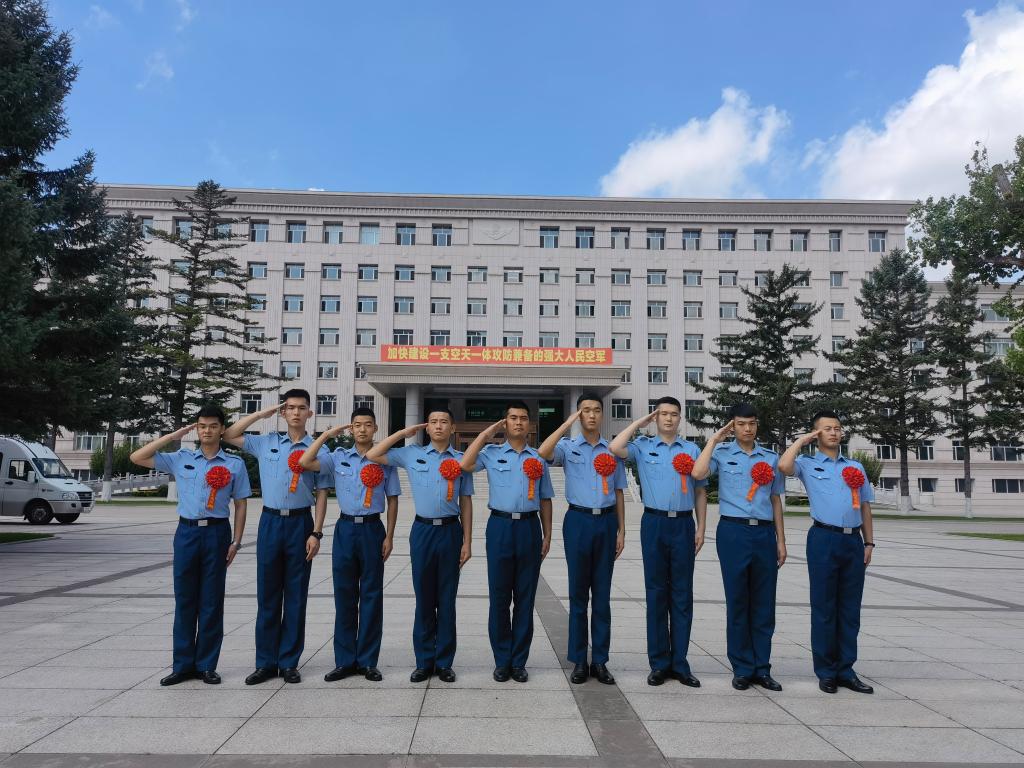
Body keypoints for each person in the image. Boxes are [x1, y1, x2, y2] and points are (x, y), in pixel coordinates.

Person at [130, 405, 249, 686]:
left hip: (217, 533)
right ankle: (182, 665)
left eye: (213, 426)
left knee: (211, 601)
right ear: (196, 429)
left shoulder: (234, 464)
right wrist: (173, 436)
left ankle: (206, 665)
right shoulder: (180, 458)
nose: (207, 431)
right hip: (186, 533)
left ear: (222, 429)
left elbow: (241, 504)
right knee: (185, 599)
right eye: (202, 426)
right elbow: (137, 457)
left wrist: (236, 541)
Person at [221, 389, 331, 685]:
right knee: (268, 595)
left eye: (301, 408)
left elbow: (322, 494)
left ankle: (289, 662)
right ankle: (265, 663)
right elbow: (229, 435)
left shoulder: (319, 450)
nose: (296, 412)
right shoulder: (266, 443)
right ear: (283, 412)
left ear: (310, 413)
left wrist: (316, 532)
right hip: (270, 522)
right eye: (290, 408)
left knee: (296, 596)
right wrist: (261, 414)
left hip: (301, 524)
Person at [366, 406, 473, 683]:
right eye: (433, 421)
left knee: (446, 599)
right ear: (426, 427)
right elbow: (373, 455)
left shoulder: (462, 460)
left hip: (450, 531)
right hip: (422, 531)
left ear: (452, 428)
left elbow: (466, 501)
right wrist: (403, 433)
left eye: (444, 422)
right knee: (424, 598)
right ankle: (424, 662)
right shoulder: (411, 453)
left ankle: (445, 662)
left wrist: (468, 541)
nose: (438, 426)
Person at [609, 396, 707, 688]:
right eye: (663, 414)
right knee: (656, 593)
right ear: (656, 417)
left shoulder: (692, 449)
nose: (668, 418)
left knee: (682, 594)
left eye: (674, 414)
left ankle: (680, 663)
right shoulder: (643, 446)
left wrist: (701, 527)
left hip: (683, 524)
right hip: (654, 523)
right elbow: (615, 448)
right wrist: (641, 423)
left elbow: (700, 491)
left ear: (680, 418)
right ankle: (659, 664)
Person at [299, 406, 400, 682]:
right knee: (344, 595)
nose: (362, 429)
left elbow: (392, 500)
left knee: (371, 596)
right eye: (357, 425)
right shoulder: (337, 457)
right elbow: (306, 461)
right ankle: (344, 661)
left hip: (373, 529)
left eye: (367, 424)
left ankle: (367, 661)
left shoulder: (384, 459)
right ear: (351, 428)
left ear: (375, 428)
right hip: (344, 529)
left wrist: (389, 536)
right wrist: (326, 435)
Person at [778, 410, 876, 695]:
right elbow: (783, 466)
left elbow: (866, 506)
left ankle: (846, 670)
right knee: (824, 607)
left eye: (837, 428)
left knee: (850, 609)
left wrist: (869, 543)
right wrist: (802, 441)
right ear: (817, 433)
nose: (834, 432)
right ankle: (826, 671)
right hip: (823, 538)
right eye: (827, 428)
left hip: (853, 541)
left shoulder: (855, 466)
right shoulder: (807, 463)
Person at [691, 403, 786, 692]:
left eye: (752, 423)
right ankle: (742, 668)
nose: (747, 428)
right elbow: (698, 473)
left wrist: (781, 540)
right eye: (741, 424)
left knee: (764, 603)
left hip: (764, 533)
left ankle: (762, 668)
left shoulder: (770, 458)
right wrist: (713, 440)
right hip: (733, 531)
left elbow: (775, 500)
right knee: (738, 601)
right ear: (732, 426)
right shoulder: (721, 453)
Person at [460, 401, 553, 683]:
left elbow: (545, 499)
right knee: (499, 598)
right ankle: (502, 660)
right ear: (505, 422)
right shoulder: (491, 453)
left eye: (523, 418)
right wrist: (485, 435)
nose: (518, 422)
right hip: (499, 527)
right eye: (513, 418)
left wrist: (547, 534)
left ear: (529, 424)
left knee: (525, 599)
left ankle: (519, 662)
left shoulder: (538, 457)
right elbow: (464, 464)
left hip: (529, 527)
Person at [538, 394, 626, 685]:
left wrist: (622, 530)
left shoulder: (612, 450)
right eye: (585, 410)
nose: (591, 415)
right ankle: (578, 660)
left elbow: (619, 492)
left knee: (602, 596)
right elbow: (543, 452)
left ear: (602, 415)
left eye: (596, 410)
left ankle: (600, 660)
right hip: (577, 521)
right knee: (578, 595)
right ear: (578, 415)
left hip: (606, 522)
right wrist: (567, 424)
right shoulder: (567, 447)